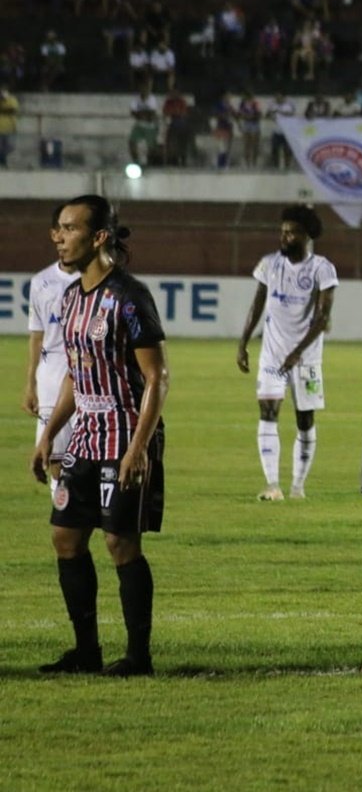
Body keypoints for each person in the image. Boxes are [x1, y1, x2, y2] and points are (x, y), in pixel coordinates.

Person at [32, 195, 169, 677]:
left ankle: (138, 656)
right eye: (57, 228)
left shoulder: (129, 297)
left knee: (120, 545)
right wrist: (50, 433)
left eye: (69, 229)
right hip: (85, 436)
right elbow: (76, 372)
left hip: (123, 435)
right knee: (65, 538)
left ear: (99, 237)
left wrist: (138, 448)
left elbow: (157, 378)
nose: (58, 236)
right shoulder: (70, 298)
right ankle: (85, 649)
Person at [236, 206, 337, 501]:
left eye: (291, 232)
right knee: (268, 411)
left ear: (306, 236)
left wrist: (297, 353)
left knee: (304, 419)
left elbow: (322, 319)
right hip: (272, 355)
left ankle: (298, 486)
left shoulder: (322, 268)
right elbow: (257, 305)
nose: (284, 236)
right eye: (282, 231)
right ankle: (272, 485)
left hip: (306, 359)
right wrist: (242, 342)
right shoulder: (269, 265)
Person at [24, 206, 80, 502]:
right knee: (56, 457)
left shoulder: (95, 279)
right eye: (62, 228)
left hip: (86, 376)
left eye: (72, 228)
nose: (65, 235)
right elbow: (37, 334)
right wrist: (30, 384)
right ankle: (64, 513)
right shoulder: (40, 282)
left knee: (86, 456)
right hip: (50, 377)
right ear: (53, 234)